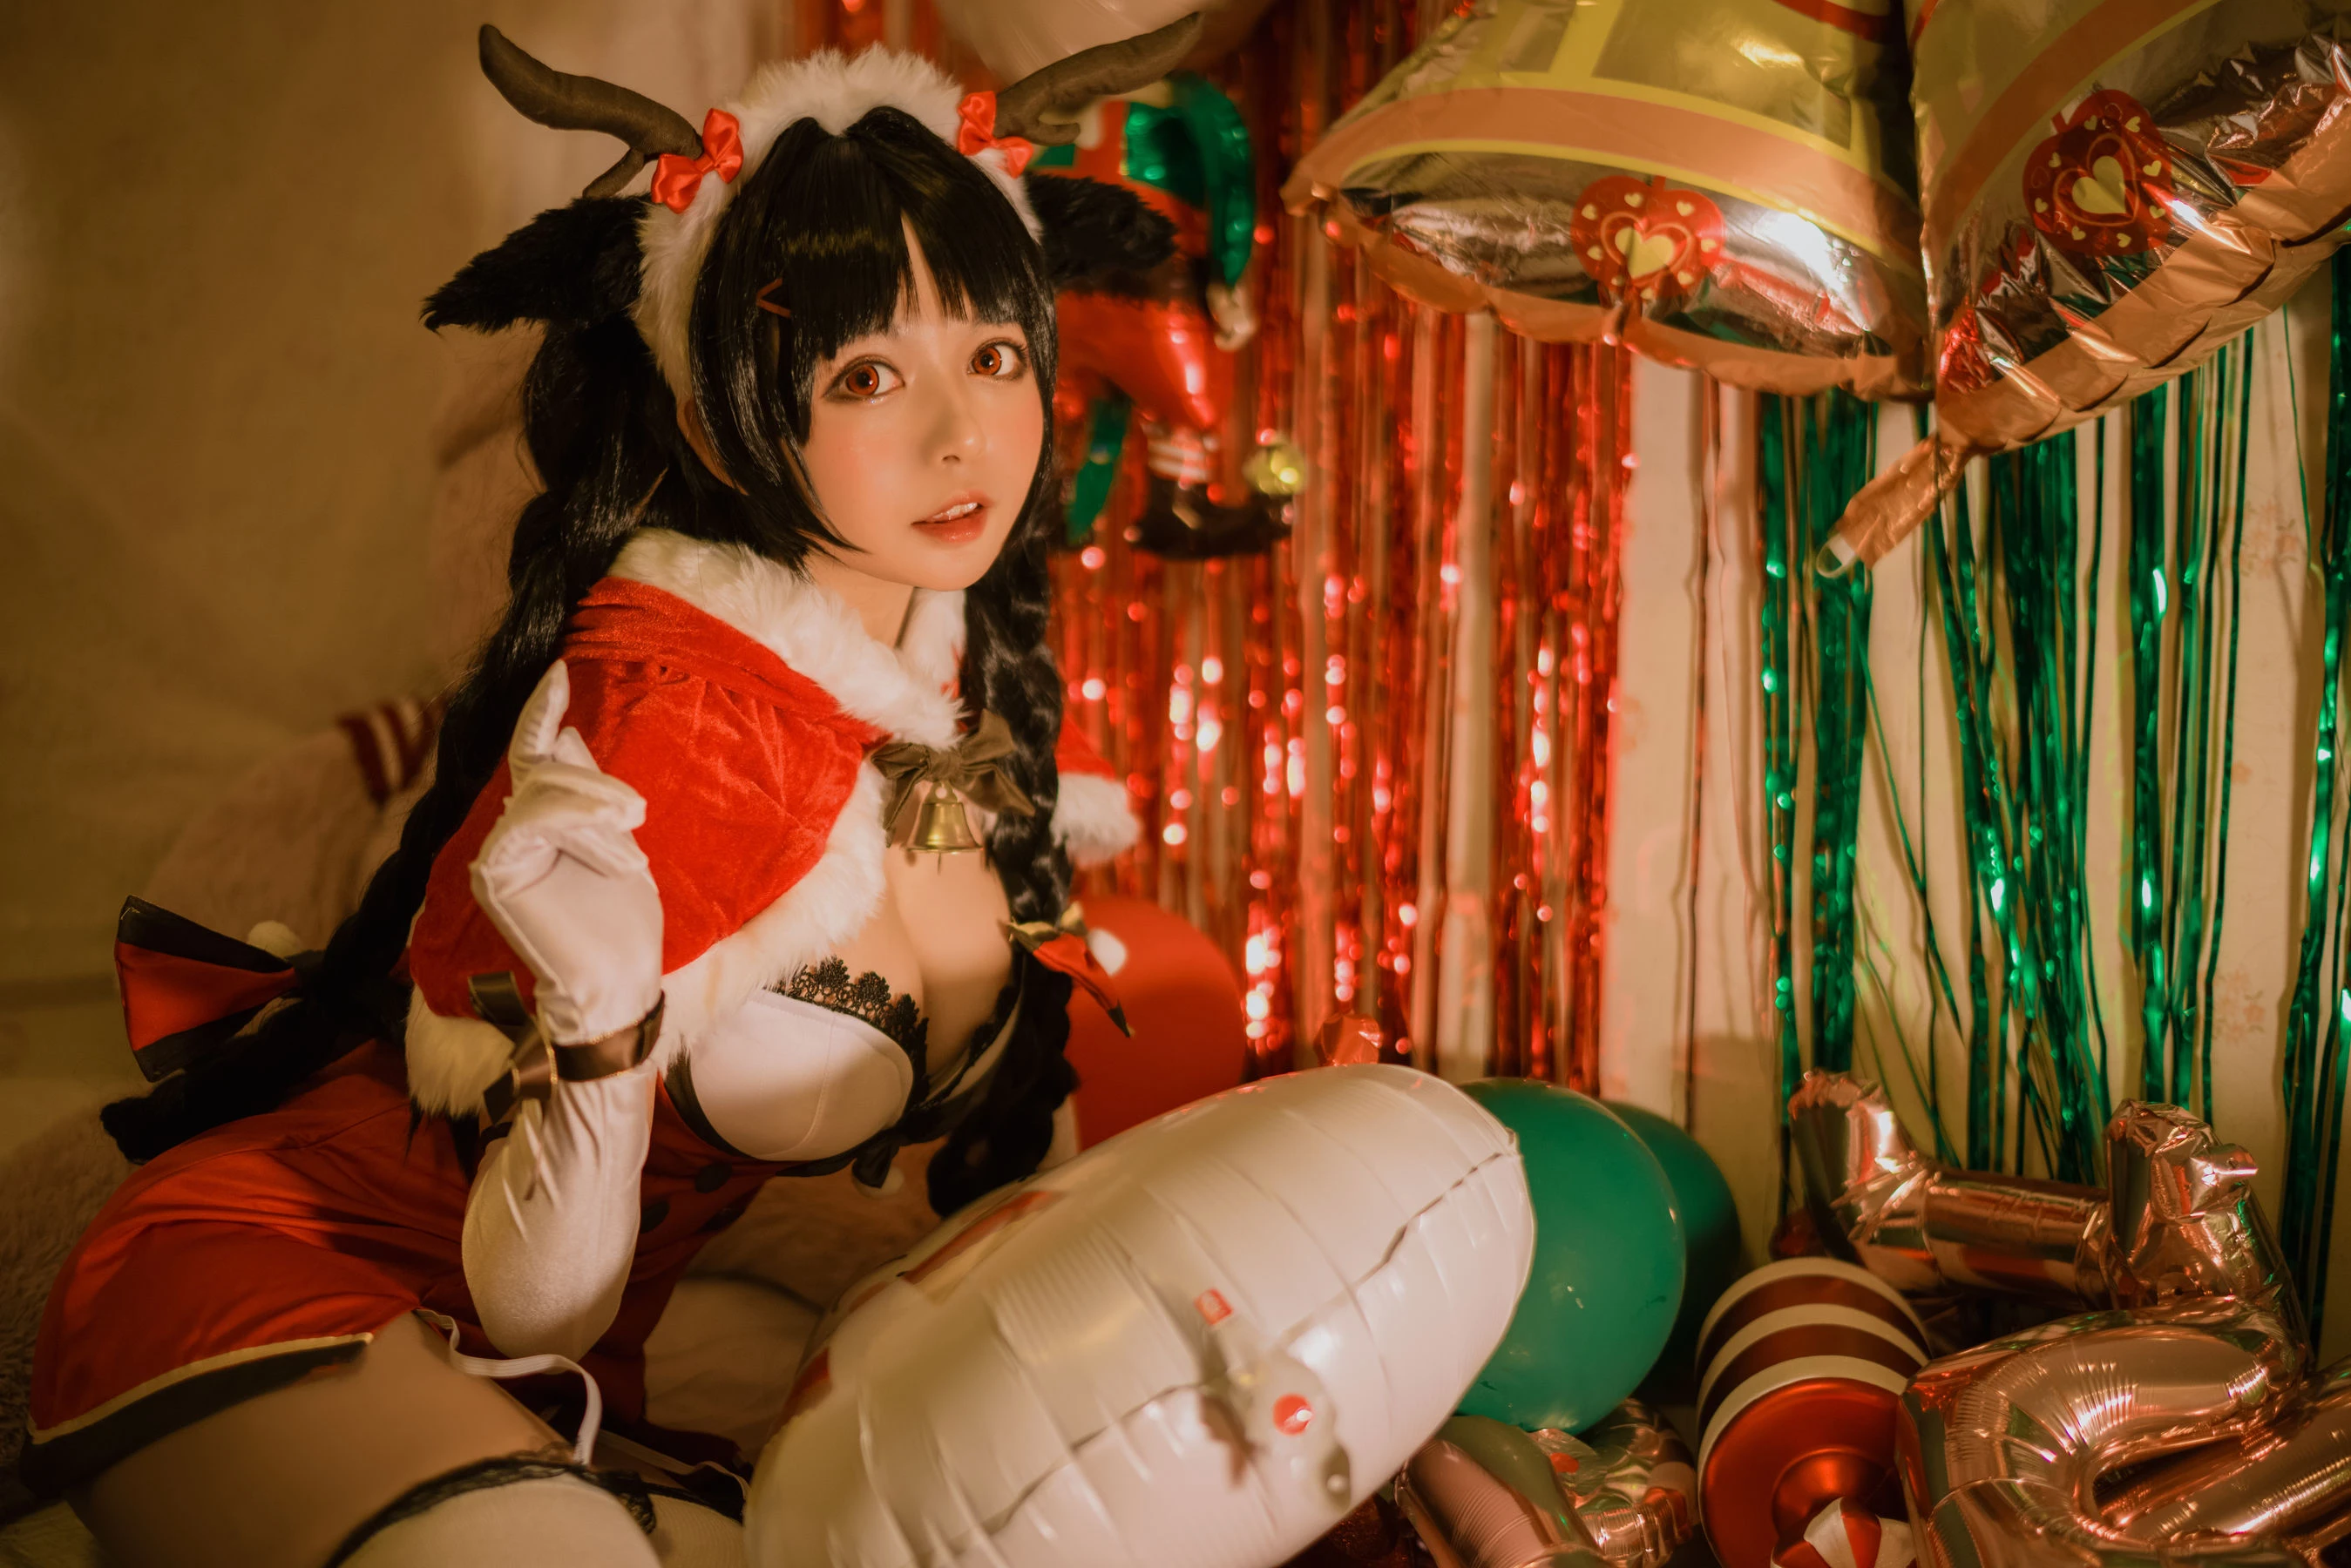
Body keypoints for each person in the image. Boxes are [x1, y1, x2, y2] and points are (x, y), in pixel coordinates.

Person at [24, 20, 1190, 1568]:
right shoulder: (653, 720)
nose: (960, 432)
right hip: (285, 1281)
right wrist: (597, 1032)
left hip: (560, 1375)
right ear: (720, 421)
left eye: (991, 354)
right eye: (865, 372)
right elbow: (540, 1301)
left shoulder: (968, 713)